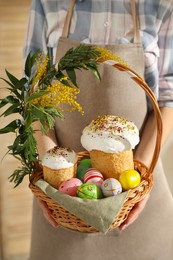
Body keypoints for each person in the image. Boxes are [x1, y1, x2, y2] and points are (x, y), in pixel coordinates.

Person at [24, 0, 173, 259]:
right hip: (62, 202)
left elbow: (168, 100)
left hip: (139, 196)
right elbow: (34, 94)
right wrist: (52, 175)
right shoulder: (46, 3)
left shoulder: (162, 6)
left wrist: (137, 182)